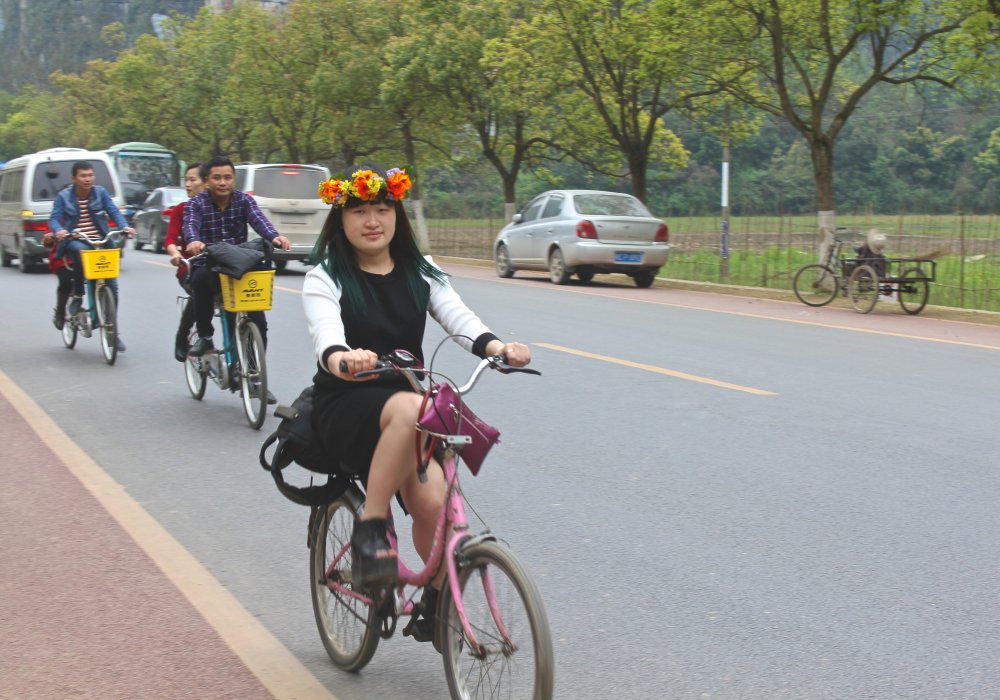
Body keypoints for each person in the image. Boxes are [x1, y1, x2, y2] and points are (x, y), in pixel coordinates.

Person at [301, 166, 531, 640]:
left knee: (433, 507)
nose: (372, 220)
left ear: (397, 216)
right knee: (411, 406)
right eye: (359, 210)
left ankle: (435, 595)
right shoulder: (325, 276)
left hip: (407, 404)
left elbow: (460, 320)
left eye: (383, 209)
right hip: (348, 406)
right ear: (341, 219)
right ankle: (371, 528)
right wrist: (343, 358)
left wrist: (497, 348)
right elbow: (326, 337)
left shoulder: (422, 271)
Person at [182, 155, 291, 402]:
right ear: (208, 181)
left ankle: (254, 375)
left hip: (239, 264)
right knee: (199, 280)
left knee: (258, 320)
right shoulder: (196, 204)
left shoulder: (244, 201)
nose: (223, 182)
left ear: (234, 179)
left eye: (228, 177)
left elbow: (259, 220)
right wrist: (193, 241)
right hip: (209, 262)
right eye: (217, 178)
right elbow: (190, 225)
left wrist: (275, 237)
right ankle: (206, 337)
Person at [48, 161, 135, 350]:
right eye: (83, 176)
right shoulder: (63, 196)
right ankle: (78, 294)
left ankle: (112, 331)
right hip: (75, 239)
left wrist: (124, 226)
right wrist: (60, 231)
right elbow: (54, 219)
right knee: (80, 252)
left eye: (90, 175)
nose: (87, 179)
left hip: (100, 240)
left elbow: (113, 211)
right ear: (73, 179)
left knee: (111, 284)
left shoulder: (100, 193)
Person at [165, 162, 205, 361]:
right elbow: (170, 239)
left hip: (219, 266)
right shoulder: (181, 210)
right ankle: (183, 335)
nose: (188, 184)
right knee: (200, 292)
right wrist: (176, 255)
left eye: (193, 179)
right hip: (189, 268)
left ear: (206, 182)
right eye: (186, 180)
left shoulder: (221, 207)